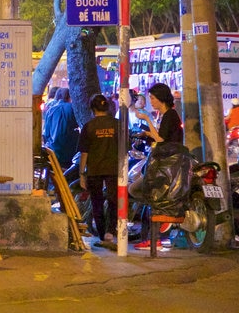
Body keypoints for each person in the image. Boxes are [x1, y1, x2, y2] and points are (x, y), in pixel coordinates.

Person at [131, 83, 184, 250]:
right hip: (162, 163)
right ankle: (152, 237)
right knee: (145, 196)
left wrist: (146, 120)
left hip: (166, 166)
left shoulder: (170, 115)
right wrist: (147, 134)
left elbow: (161, 140)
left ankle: (154, 238)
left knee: (137, 190)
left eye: (153, 98)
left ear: (161, 98)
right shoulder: (166, 115)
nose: (150, 101)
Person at [78, 94, 118, 246]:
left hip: (94, 170)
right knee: (114, 200)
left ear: (93, 108)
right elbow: (124, 148)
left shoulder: (89, 126)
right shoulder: (117, 124)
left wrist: (82, 174)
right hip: (114, 169)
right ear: (107, 107)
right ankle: (110, 231)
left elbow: (84, 153)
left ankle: (101, 234)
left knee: (97, 202)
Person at [42, 88, 79, 169]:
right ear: (69, 97)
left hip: (54, 151)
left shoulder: (51, 110)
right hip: (70, 151)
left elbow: (45, 133)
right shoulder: (73, 108)